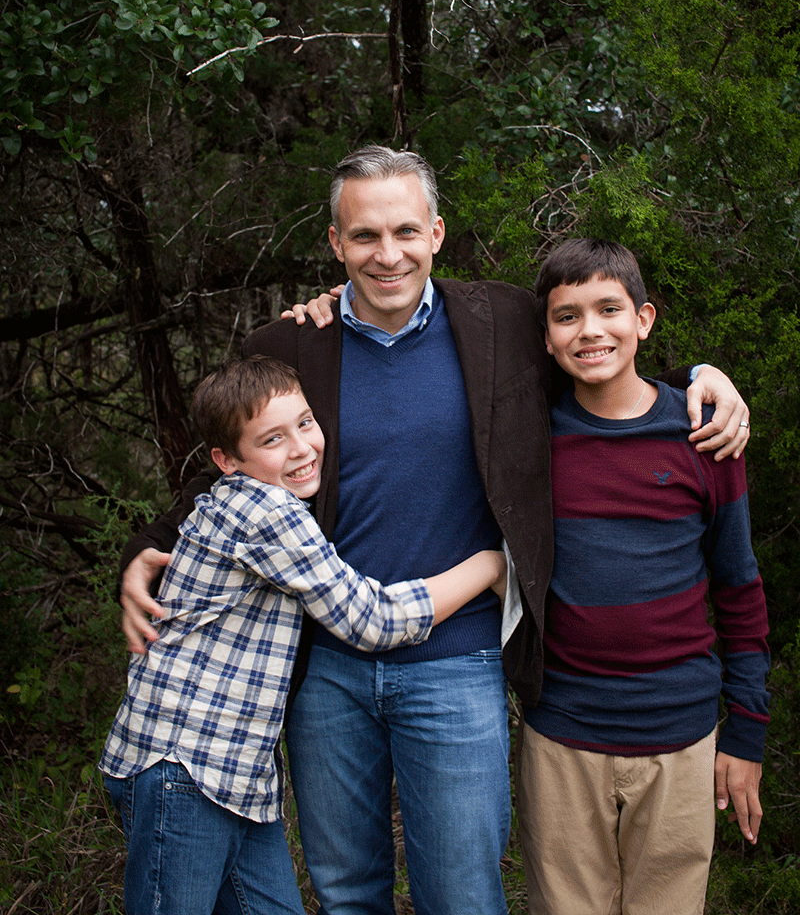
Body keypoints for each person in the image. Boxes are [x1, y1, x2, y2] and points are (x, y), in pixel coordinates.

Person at [118, 146, 750, 915]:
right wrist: (144, 552)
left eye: (406, 231)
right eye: (365, 237)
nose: (388, 254)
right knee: (349, 892)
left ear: (438, 233)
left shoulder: (506, 321)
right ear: (335, 243)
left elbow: (605, 363)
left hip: (458, 662)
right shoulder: (291, 345)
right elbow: (232, 467)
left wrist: (700, 380)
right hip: (327, 669)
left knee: (462, 895)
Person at [100, 355, 506, 915]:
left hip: (236, 777)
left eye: (306, 423)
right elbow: (372, 619)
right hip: (185, 767)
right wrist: (491, 564)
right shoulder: (267, 511)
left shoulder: (258, 498)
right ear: (227, 461)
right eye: (272, 439)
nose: (301, 448)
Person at [515, 237, 769, 915]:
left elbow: (739, 591)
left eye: (609, 309)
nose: (591, 330)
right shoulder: (527, 442)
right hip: (561, 734)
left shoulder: (704, 438)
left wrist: (746, 731)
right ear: (544, 338)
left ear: (644, 320)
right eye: (567, 316)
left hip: (681, 736)